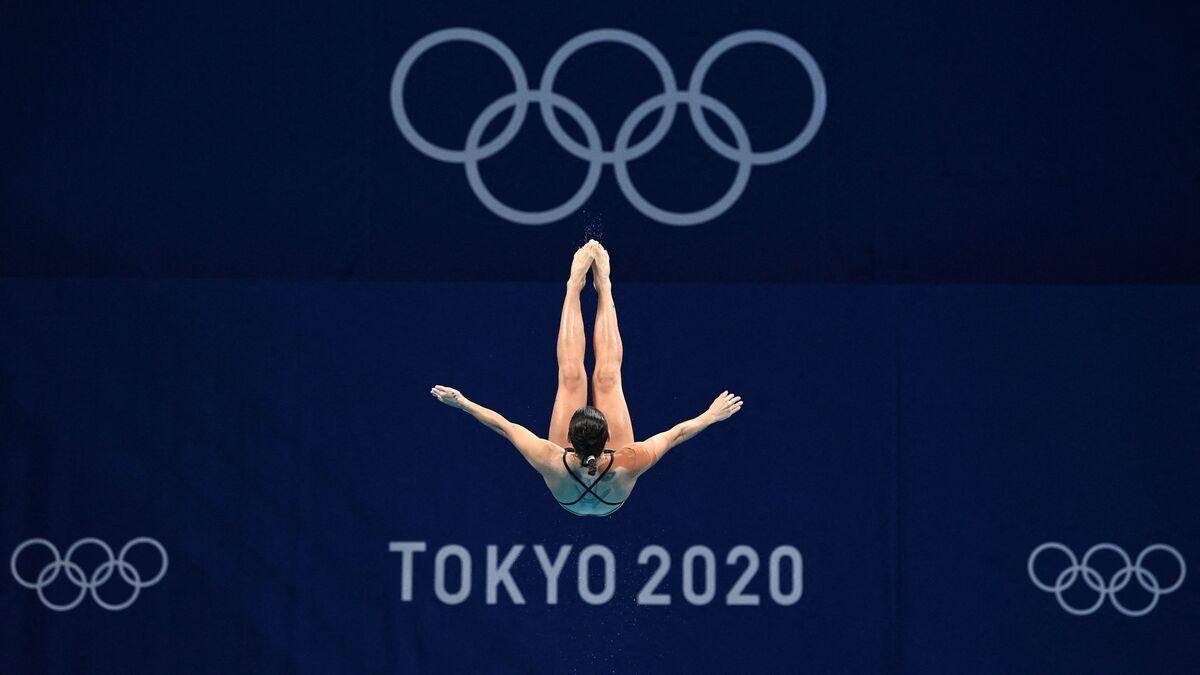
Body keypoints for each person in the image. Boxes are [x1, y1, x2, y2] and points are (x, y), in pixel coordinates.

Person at [430, 240, 743, 516]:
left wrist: (464, 403)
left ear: (568, 439)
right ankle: (604, 286)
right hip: (608, 489)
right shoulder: (628, 461)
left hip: (570, 485)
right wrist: (711, 415)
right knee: (608, 377)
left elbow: (504, 426)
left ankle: (573, 285)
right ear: (608, 439)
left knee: (570, 378)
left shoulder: (551, 458)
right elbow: (675, 434)